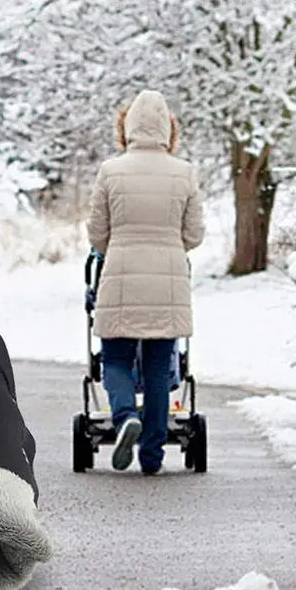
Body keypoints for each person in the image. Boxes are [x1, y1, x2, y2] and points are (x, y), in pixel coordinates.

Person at [86, 90, 205, 474]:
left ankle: (124, 419)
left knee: (116, 360)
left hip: (120, 274)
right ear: (169, 130)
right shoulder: (184, 172)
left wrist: (117, 244)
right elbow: (194, 234)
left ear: (127, 127)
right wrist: (169, 242)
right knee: (157, 368)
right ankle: (152, 456)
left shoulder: (111, 170)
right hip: (167, 281)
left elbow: (97, 234)